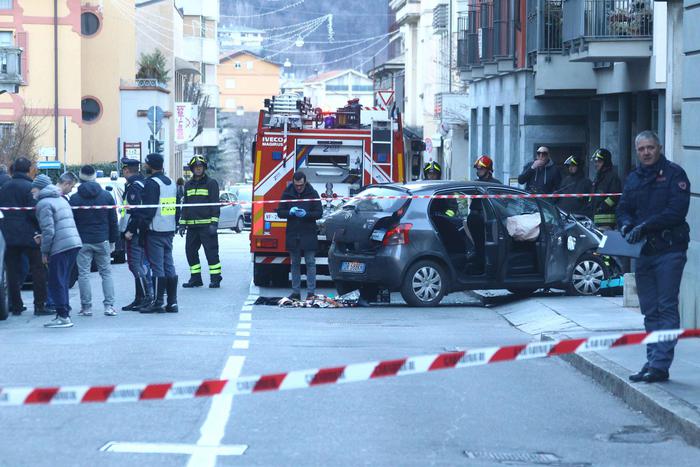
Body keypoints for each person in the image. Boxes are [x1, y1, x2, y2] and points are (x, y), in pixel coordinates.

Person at [618, 130, 691, 384]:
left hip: (669, 250)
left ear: (659, 147)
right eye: (641, 149)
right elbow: (624, 209)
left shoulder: (674, 174)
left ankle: (660, 365)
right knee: (650, 310)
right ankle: (652, 362)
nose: (646, 152)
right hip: (644, 252)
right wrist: (626, 226)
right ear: (637, 151)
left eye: (650, 147)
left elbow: (676, 212)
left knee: (666, 307)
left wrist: (645, 226)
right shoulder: (634, 178)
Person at [0, 157, 49, 316]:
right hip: (30, 235)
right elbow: (33, 212)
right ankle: (40, 305)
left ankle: (16, 305)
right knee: (37, 270)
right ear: (29, 170)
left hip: (8, 235)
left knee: (12, 271)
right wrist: (39, 229)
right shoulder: (30, 188)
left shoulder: (4, 187)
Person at [33, 174, 82, 328]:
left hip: (60, 246)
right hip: (72, 242)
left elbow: (49, 231)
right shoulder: (60, 199)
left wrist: (44, 251)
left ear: (40, 188)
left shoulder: (43, 203)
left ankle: (62, 315)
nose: (31, 192)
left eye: (33, 189)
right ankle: (64, 312)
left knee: (56, 282)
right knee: (63, 280)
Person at [69, 165, 119, 317]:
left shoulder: (74, 198)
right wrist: (113, 240)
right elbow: (113, 220)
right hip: (102, 239)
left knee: (83, 274)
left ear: (80, 176)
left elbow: (71, 221)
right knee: (106, 273)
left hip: (82, 240)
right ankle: (109, 306)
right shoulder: (106, 196)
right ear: (94, 176)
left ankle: (86, 307)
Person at [140, 153, 178, 314]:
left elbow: (148, 209)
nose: (144, 166)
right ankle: (172, 303)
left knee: (157, 267)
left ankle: (157, 302)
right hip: (168, 229)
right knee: (169, 266)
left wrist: (142, 229)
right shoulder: (171, 183)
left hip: (155, 229)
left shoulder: (152, 183)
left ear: (150, 166)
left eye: (145, 164)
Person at [276, 171, 322, 300]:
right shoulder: (287, 192)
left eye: (301, 185)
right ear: (293, 183)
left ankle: (311, 293)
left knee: (310, 263)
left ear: (305, 182)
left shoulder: (312, 193)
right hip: (293, 233)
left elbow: (319, 213)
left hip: (308, 233)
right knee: (295, 263)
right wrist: (290, 212)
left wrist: (306, 214)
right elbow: (280, 211)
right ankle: (296, 292)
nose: (299, 187)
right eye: (297, 185)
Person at [180, 155, 222, 288]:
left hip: (206, 226)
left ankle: (215, 278)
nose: (198, 169)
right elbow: (185, 206)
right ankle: (196, 278)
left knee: (211, 253)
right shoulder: (188, 185)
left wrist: (214, 223)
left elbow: (215, 204)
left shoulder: (211, 183)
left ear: (204, 168)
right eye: (196, 167)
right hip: (192, 227)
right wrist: (182, 224)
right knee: (190, 252)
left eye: (200, 167)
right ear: (192, 169)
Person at [120, 158, 153, 311]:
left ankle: (145, 297)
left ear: (126, 170)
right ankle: (139, 298)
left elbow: (137, 212)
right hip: (140, 230)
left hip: (135, 231)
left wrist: (130, 231)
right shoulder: (141, 183)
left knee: (135, 265)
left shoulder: (134, 186)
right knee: (137, 264)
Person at [590, 148, 622, 230]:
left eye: (599, 162)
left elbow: (614, 196)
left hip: (607, 222)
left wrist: (602, 207)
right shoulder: (597, 178)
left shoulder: (612, 177)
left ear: (606, 163)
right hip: (594, 220)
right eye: (595, 162)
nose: (596, 164)